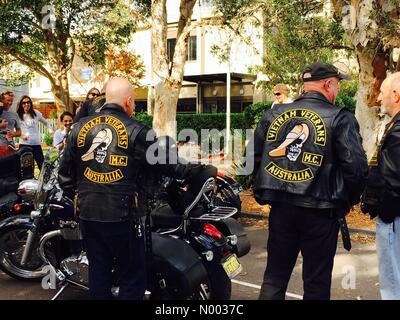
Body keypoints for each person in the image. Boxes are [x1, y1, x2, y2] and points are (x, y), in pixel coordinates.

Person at [58, 77, 199, 300]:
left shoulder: (78, 129)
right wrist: (197, 170)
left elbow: (64, 175)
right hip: (125, 217)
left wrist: (79, 198)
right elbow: (169, 164)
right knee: (132, 277)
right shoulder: (138, 130)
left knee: (99, 273)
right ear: (129, 101)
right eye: (133, 103)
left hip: (88, 214)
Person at [250, 61, 368, 300]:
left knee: (274, 277)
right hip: (321, 213)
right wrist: (347, 201)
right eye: (337, 85)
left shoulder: (274, 114)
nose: (338, 91)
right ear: (328, 84)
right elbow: (356, 169)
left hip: (281, 208)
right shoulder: (339, 118)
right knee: (316, 283)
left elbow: (251, 158)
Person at [361, 72, 400, 300]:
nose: (378, 99)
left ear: (396, 95)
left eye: (382, 93)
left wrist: (383, 211)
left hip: (393, 219)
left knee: (392, 283)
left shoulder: (397, 131)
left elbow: (395, 181)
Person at [16, 95, 48, 169]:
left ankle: (43, 180)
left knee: (42, 166)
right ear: (21, 104)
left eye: (28, 102)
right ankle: (28, 180)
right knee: (27, 168)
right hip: (24, 145)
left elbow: (46, 122)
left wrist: (51, 130)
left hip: (36, 144)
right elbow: (14, 130)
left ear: (30, 103)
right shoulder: (17, 115)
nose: (26, 104)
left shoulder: (36, 113)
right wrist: (21, 135)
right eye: (24, 103)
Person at [0, 91, 21, 158]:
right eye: (8, 100)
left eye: (11, 101)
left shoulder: (14, 114)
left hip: (10, 147)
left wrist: (13, 134)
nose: (10, 103)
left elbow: (19, 132)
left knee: (11, 168)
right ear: (2, 100)